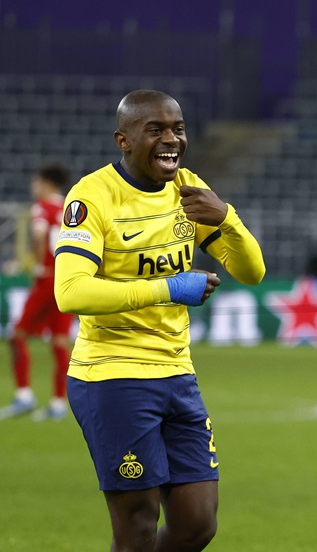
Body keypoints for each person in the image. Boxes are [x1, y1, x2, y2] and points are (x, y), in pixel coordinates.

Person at [54, 89, 266, 552]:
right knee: (137, 528)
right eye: (156, 130)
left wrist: (228, 218)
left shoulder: (187, 188)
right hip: (112, 376)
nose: (171, 139)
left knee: (197, 524)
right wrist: (168, 288)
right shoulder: (92, 196)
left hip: (177, 374)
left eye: (178, 129)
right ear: (124, 140)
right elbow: (70, 293)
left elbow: (253, 272)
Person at [1, 163, 74, 421]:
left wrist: (36, 266)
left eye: (36, 182)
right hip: (65, 280)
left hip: (46, 280)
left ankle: (24, 395)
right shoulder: (69, 207)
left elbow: (39, 235)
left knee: (16, 335)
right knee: (60, 341)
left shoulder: (41, 208)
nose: (33, 187)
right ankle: (58, 402)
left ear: (45, 183)